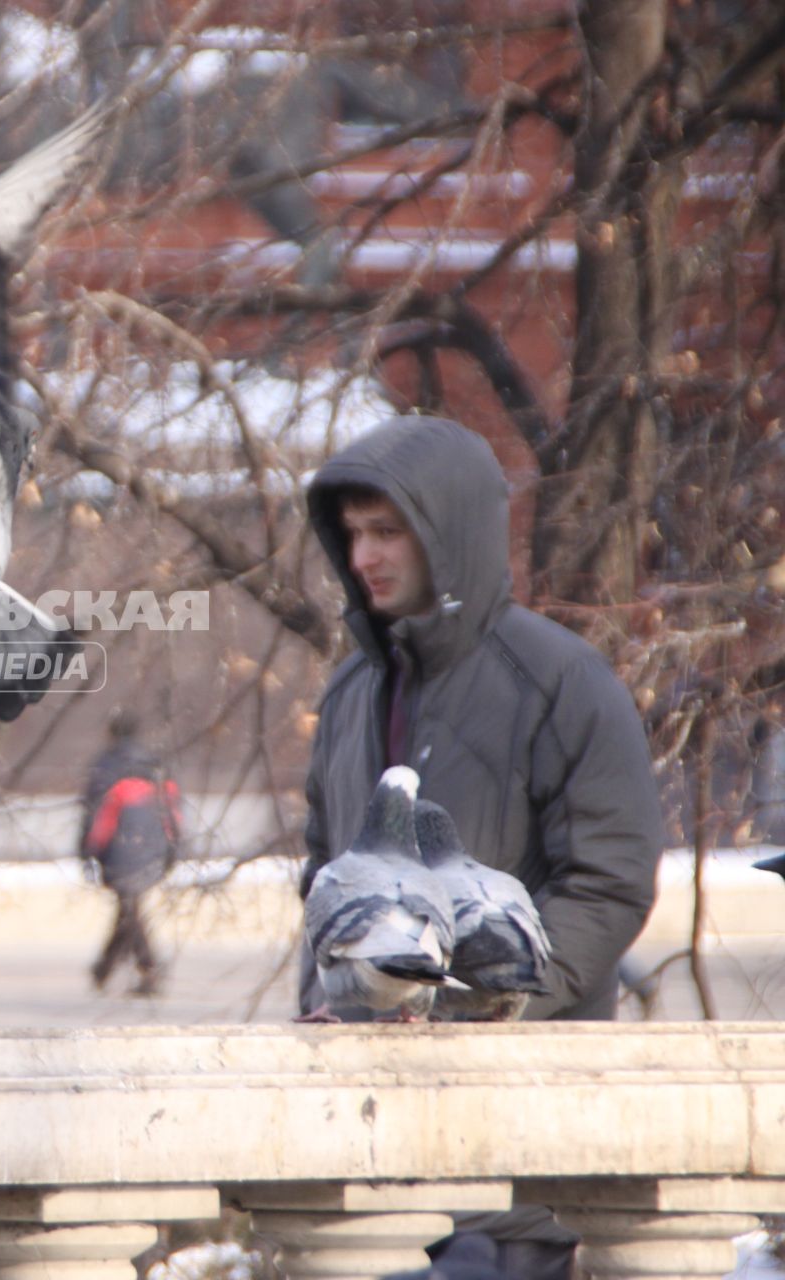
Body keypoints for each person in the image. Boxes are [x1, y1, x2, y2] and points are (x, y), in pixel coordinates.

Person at [299, 414, 663, 1280]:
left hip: (513, 1167)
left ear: (448, 530)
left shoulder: (560, 681)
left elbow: (609, 884)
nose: (364, 558)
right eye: (352, 534)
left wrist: (486, 1007)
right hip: (366, 1153)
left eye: (387, 531)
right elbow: (322, 884)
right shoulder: (352, 691)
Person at [78, 709, 181, 996]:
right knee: (129, 906)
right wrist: (172, 848)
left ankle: (140, 967)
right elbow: (173, 812)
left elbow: (93, 815)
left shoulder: (106, 765)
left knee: (129, 906)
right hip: (154, 847)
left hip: (119, 847)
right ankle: (111, 967)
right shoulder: (154, 765)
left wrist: (87, 851)